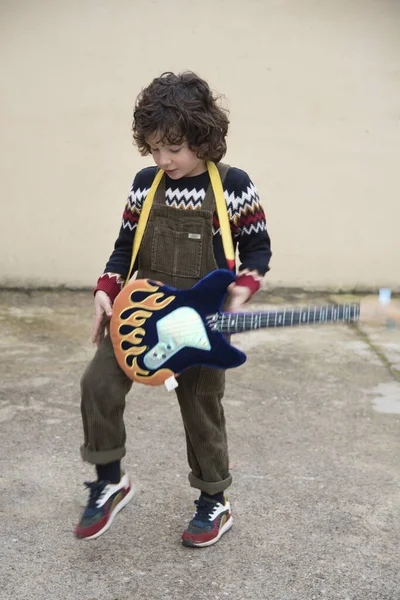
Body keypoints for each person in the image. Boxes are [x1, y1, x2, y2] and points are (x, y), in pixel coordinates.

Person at [75, 71, 272, 547]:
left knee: (200, 407)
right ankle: (109, 480)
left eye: (174, 149)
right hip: (139, 313)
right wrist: (106, 287)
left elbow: (258, 251)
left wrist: (244, 288)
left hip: (201, 326)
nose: (163, 160)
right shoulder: (145, 184)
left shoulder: (233, 185)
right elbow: (124, 249)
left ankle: (214, 500)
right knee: (97, 384)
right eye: (153, 149)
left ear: (203, 138)